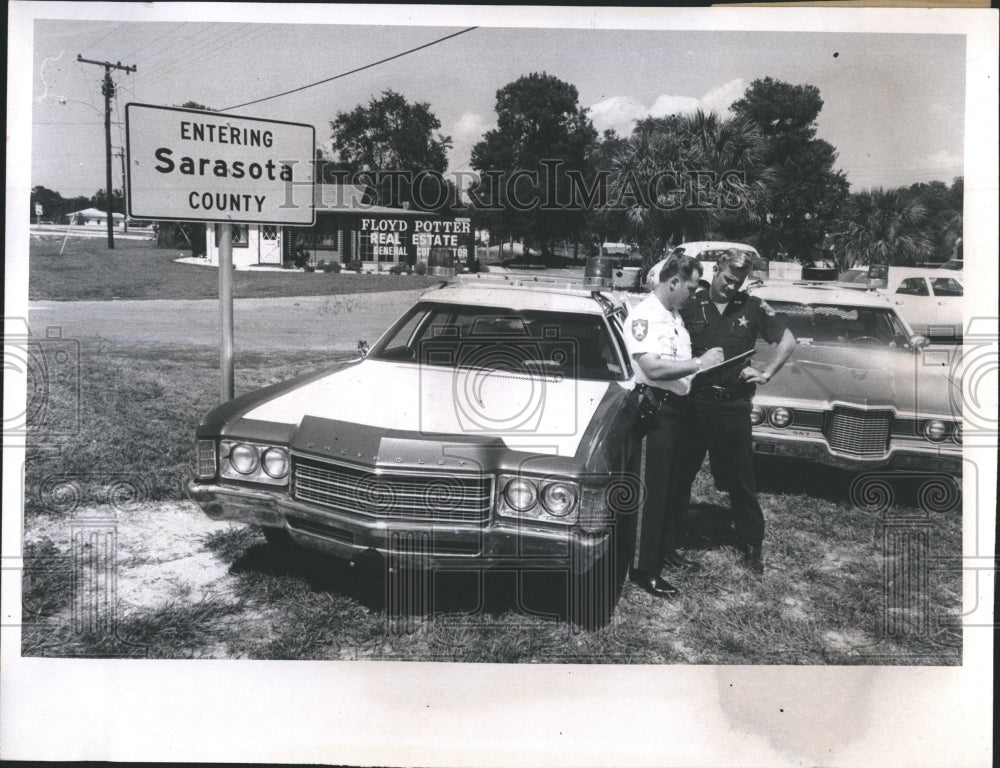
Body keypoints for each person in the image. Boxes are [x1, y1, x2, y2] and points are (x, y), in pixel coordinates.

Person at [672, 248, 797, 575]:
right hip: (694, 403)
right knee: (680, 474)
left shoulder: (753, 306)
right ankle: (668, 539)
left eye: (738, 282)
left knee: (742, 478)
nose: (731, 287)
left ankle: (752, 544)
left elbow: (787, 340)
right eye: (728, 279)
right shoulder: (689, 301)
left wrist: (766, 372)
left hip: (733, 405)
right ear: (716, 270)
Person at [623, 254, 723, 597]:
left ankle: (664, 551)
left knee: (671, 488)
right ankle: (643, 568)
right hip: (656, 410)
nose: (694, 294)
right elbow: (651, 368)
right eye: (691, 287)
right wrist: (698, 364)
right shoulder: (645, 317)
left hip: (679, 409)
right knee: (651, 492)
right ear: (674, 281)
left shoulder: (674, 316)